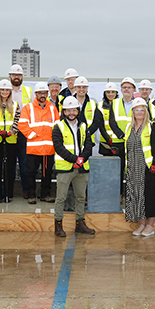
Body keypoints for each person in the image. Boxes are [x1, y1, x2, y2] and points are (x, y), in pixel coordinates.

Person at [52, 96, 95, 237]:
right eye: (68, 110)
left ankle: (80, 223)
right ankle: (58, 225)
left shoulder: (84, 126)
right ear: (64, 112)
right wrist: (75, 159)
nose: (71, 113)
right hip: (65, 168)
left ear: (78, 110)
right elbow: (59, 148)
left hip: (81, 168)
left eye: (74, 110)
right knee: (61, 198)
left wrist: (82, 159)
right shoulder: (58, 127)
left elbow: (89, 145)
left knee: (81, 197)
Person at [125, 98, 155, 237]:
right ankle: (141, 223)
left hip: (148, 168)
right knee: (136, 196)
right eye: (136, 109)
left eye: (142, 109)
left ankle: (150, 225)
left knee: (150, 196)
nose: (139, 112)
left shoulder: (151, 126)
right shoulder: (128, 128)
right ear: (132, 112)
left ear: (146, 112)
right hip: (133, 168)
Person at [18, 82, 59, 204]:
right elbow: (22, 124)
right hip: (33, 148)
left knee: (47, 173)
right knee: (30, 172)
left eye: (45, 93)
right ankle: (31, 195)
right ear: (36, 94)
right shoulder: (28, 108)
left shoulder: (52, 108)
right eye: (40, 93)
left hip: (48, 148)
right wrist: (32, 136)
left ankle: (45, 194)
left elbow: (57, 126)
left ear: (47, 94)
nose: (43, 95)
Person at [0, 79, 20, 203]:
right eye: (2, 90)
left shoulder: (15, 105)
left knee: (9, 168)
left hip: (11, 141)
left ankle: (8, 193)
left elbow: (17, 120)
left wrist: (10, 132)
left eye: (7, 90)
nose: (4, 92)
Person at [9, 64, 33, 199]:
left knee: (25, 163)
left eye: (19, 75)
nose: (16, 77)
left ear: (22, 77)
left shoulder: (29, 91)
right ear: (9, 76)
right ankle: (9, 191)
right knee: (10, 164)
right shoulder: (5, 90)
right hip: (9, 133)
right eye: (14, 75)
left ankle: (26, 190)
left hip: (24, 133)